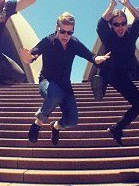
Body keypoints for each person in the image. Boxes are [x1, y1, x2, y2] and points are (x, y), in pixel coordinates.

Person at [21, 12, 110, 145]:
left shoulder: (74, 43)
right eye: (62, 31)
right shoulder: (48, 41)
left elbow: (89, 55)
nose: (65, 35)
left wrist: (97, 58)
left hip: (65, 86)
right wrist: (28, 57)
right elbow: (33, 54)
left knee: (72, 120)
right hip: (47, 82)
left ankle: (55, 126)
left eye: (69, 32)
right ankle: (37, 124)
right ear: (56, 27)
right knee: (55, 94)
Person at [95, 0, 139, 145]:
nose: (120, 27)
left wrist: (129, 5)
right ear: (112, 25)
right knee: (105, 68)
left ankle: (117, 128)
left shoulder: (131, 34)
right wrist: (111, 6)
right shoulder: (108, 35)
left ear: (126, 23)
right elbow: (100, 24)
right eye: (116, 24)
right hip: (109, 71)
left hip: (122, 76)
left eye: (123, 23)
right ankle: (100, 83)